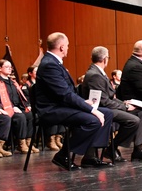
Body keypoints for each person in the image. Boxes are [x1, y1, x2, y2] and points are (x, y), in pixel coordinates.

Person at [33, 32, 113, 170]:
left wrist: (84, 102)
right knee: (93, 119)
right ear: (62, 47)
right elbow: (64, 95)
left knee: (107, 113)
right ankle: (63, 155)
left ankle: (90, 156)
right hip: (51, 109)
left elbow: (67, 92)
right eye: (68, 46)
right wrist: (91, 109)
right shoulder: (49, 65)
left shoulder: (54, 62)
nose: (68, 48)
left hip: (62, 105)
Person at [81, 46, 142, 162]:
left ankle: (138, 149)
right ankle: (112, 147)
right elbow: (103, 101)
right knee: (133, 120)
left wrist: (124, 102)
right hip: (102, 109)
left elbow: (109, 97)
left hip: (108, 106)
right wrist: (125, 106)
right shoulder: (95, 75)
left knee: (141, 111)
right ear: (105, 59)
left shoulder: (98, 72)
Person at [0, 59, 34, 153]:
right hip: (4, 109)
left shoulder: (13, 82)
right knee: (20, 117)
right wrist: (9, 107)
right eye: (7, 67)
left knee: (30, 115)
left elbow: (21, 97)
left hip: (16, 108)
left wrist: (27, 105)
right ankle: (17, 143)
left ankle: (27, 141)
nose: (10, 69)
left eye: (10, 67)